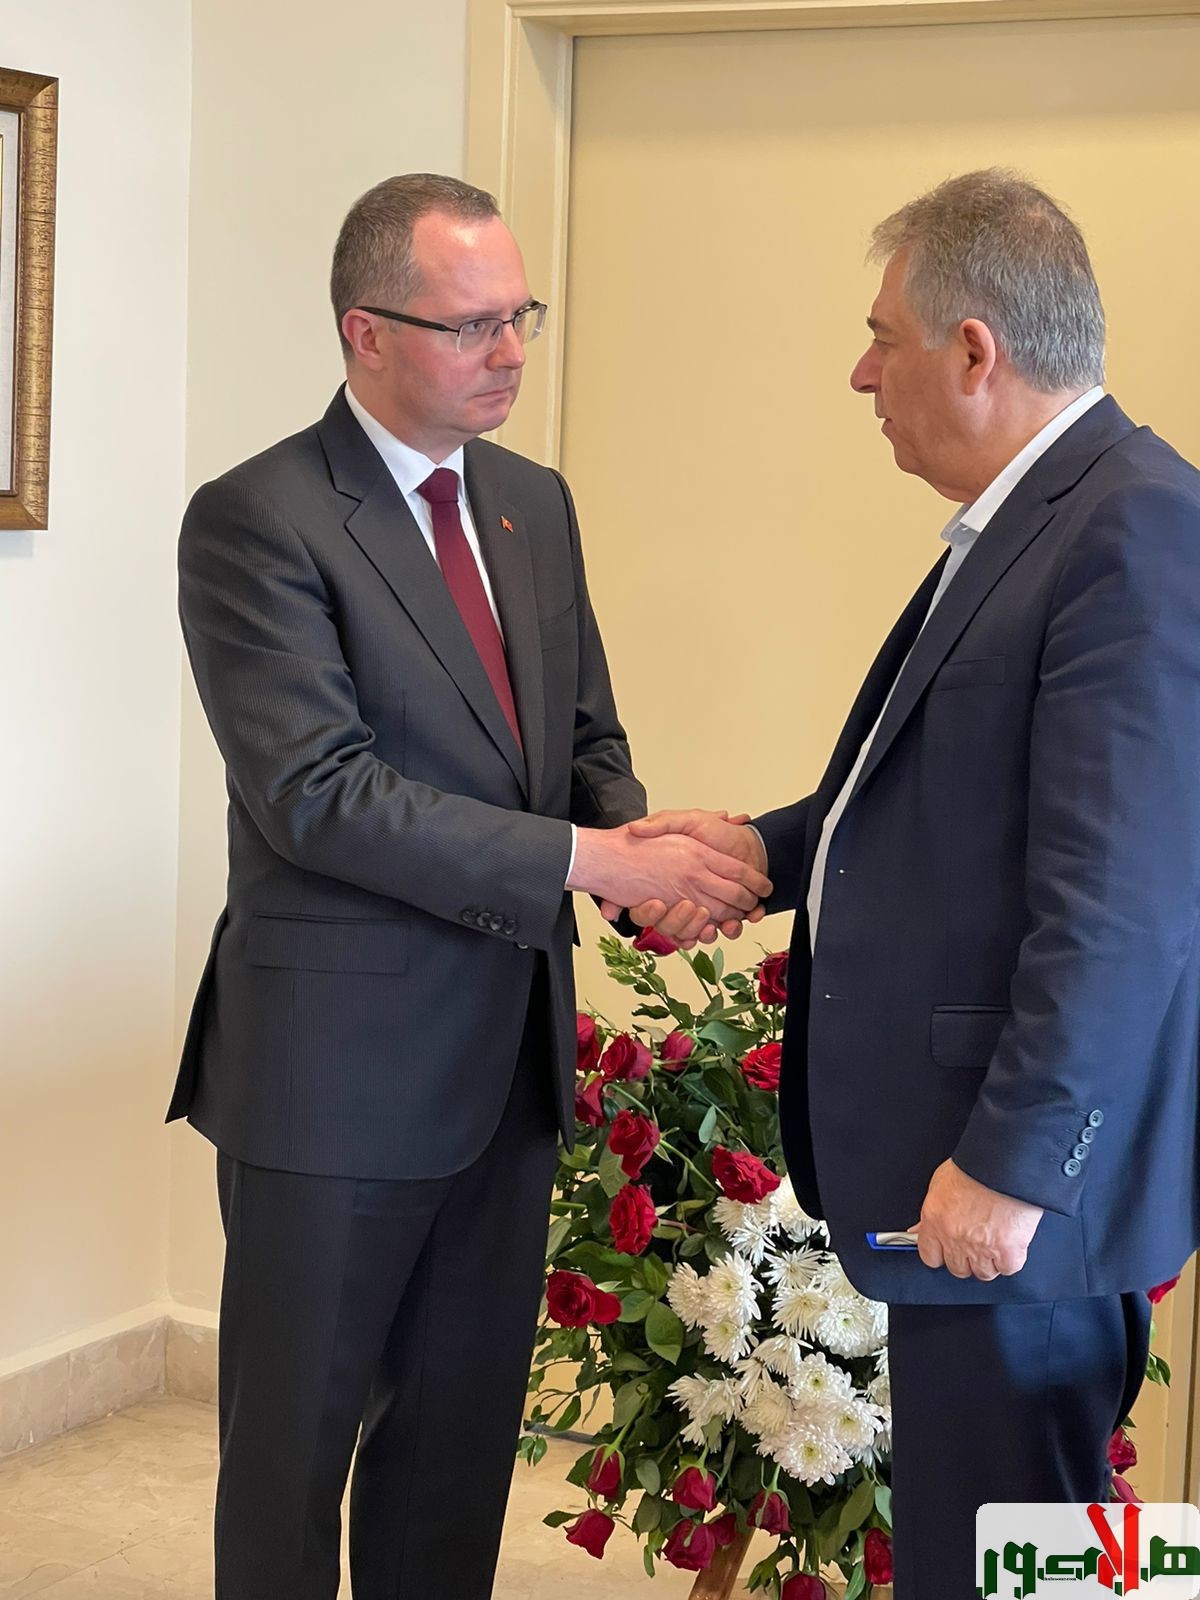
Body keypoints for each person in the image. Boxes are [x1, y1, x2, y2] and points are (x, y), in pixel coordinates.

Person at [169, 172, 770, 1600]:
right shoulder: (257, 519)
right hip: (331, 1077)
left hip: (503, 1068)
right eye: (472, 325)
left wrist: (640, 858)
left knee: (452, 1455)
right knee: (292, 1459)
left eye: (521, 317)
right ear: (365, 331)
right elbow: (320, 796)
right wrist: (589, 859)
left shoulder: (530, 505)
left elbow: (579, 743)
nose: (509, 353)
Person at [621, 170, 1200, 1596]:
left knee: (1016, 1557)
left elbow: (1126, 902)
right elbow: (947, 803)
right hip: (984, 1189)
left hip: (1021, 1206)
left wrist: (1015, 1165)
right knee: (985, 1552)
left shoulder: (1130, 528)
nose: (862, 373)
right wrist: (758, 855)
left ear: (975, 350)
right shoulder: (1044, 516)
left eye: (884, 337)